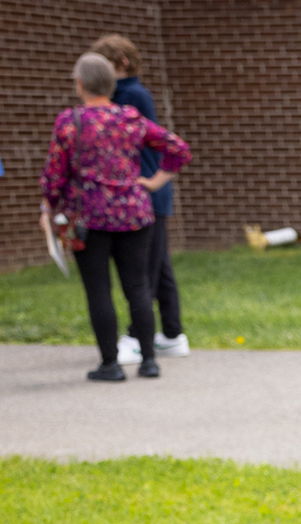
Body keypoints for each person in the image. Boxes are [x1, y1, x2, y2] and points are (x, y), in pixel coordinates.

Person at [42, 53, 191, 382]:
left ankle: (110, 365)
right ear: (111, 84)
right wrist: (153, 182)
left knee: (99, 290)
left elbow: (54, 174)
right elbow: (177, 148)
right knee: (138, 287)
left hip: (87, 217)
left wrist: (48, 208)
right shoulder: (130, 117)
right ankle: (149, 361)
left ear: (80, 84)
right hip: (135, 213)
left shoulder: (70, 121)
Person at [90, 35, 192, 363]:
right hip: (147, 192)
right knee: (159, 267)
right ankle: (172, 334)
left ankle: (136, 336)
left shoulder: (130, 96)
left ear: (121, 63)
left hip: (144, 192)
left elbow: (159, 143)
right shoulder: (126, 94)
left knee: (143, 271)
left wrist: (151, 181)